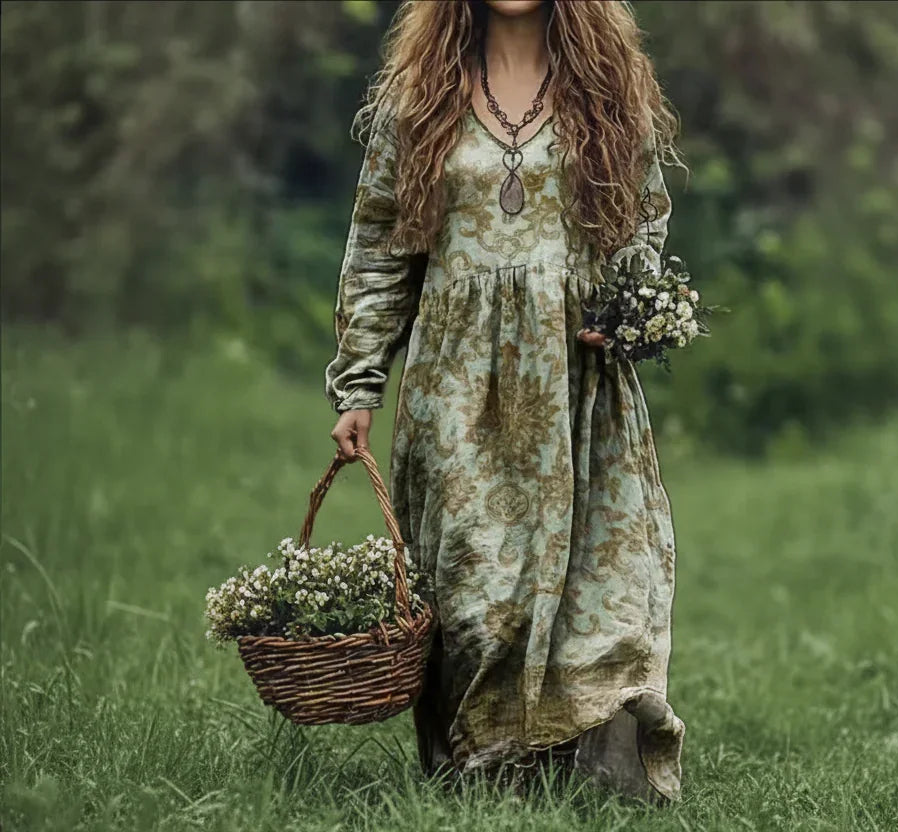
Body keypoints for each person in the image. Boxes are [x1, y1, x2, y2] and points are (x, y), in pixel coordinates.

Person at [324, 0, 685, 803]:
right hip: (458, 388)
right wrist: (359, 382)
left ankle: (597, 763)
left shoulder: (606, 85)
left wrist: (626, 311)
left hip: (576, 384)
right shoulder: (419, 97)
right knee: (479, 588)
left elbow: (644, 220)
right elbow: (380, 245)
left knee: (602, 582)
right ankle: (485, 776)